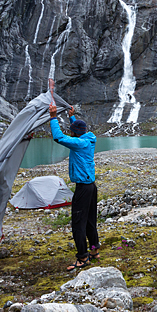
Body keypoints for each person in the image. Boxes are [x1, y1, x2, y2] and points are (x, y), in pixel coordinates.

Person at [48, 104, 99, 271]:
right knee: (90, 220)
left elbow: (59, 138)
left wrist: (53, 117)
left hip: (83, 188)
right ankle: (94, 251)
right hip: (91, 186)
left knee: (78, 222)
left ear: (76, 132)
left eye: (72, 130)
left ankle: (82, 258)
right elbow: (77, 130)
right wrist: (72, 117)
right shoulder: (88, 139)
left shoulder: (79, 143)